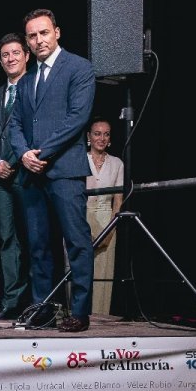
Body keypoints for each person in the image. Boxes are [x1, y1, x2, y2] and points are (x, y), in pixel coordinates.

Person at [10, 8, 96, 332]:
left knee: (76, 242)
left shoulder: (79, 67)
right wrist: (23, 154)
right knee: (39, 246)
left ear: (56, 32)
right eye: (32, 35)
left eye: (43, 33)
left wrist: (40, 153)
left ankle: (80, 312)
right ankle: (44, 310)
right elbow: (15, 124)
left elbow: (77, 119)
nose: (38, 40)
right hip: (33, 174)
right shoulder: (27, 79)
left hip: (64, 171)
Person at [0, 33, 32, 320]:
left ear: (26, 55)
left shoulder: (38, 87)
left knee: (35, 239)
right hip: (0, 178)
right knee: (7, 240)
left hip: (29, 174)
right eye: (5, 55)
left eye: (16, 53)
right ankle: (11, 301)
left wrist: (14, 160)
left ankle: (39, 301)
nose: (11, 58)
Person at [85, 116, 124, 316]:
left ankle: (100, 318)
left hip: (108, 220)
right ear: (89, 137)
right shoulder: (80, 160)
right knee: (78, 270)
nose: (101, 138)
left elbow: (118, 200)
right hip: (81, 219)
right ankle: (78, 315)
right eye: (97, 134)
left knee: (103, 273)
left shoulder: (117, 163)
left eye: (106, 134)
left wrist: (110, 230)